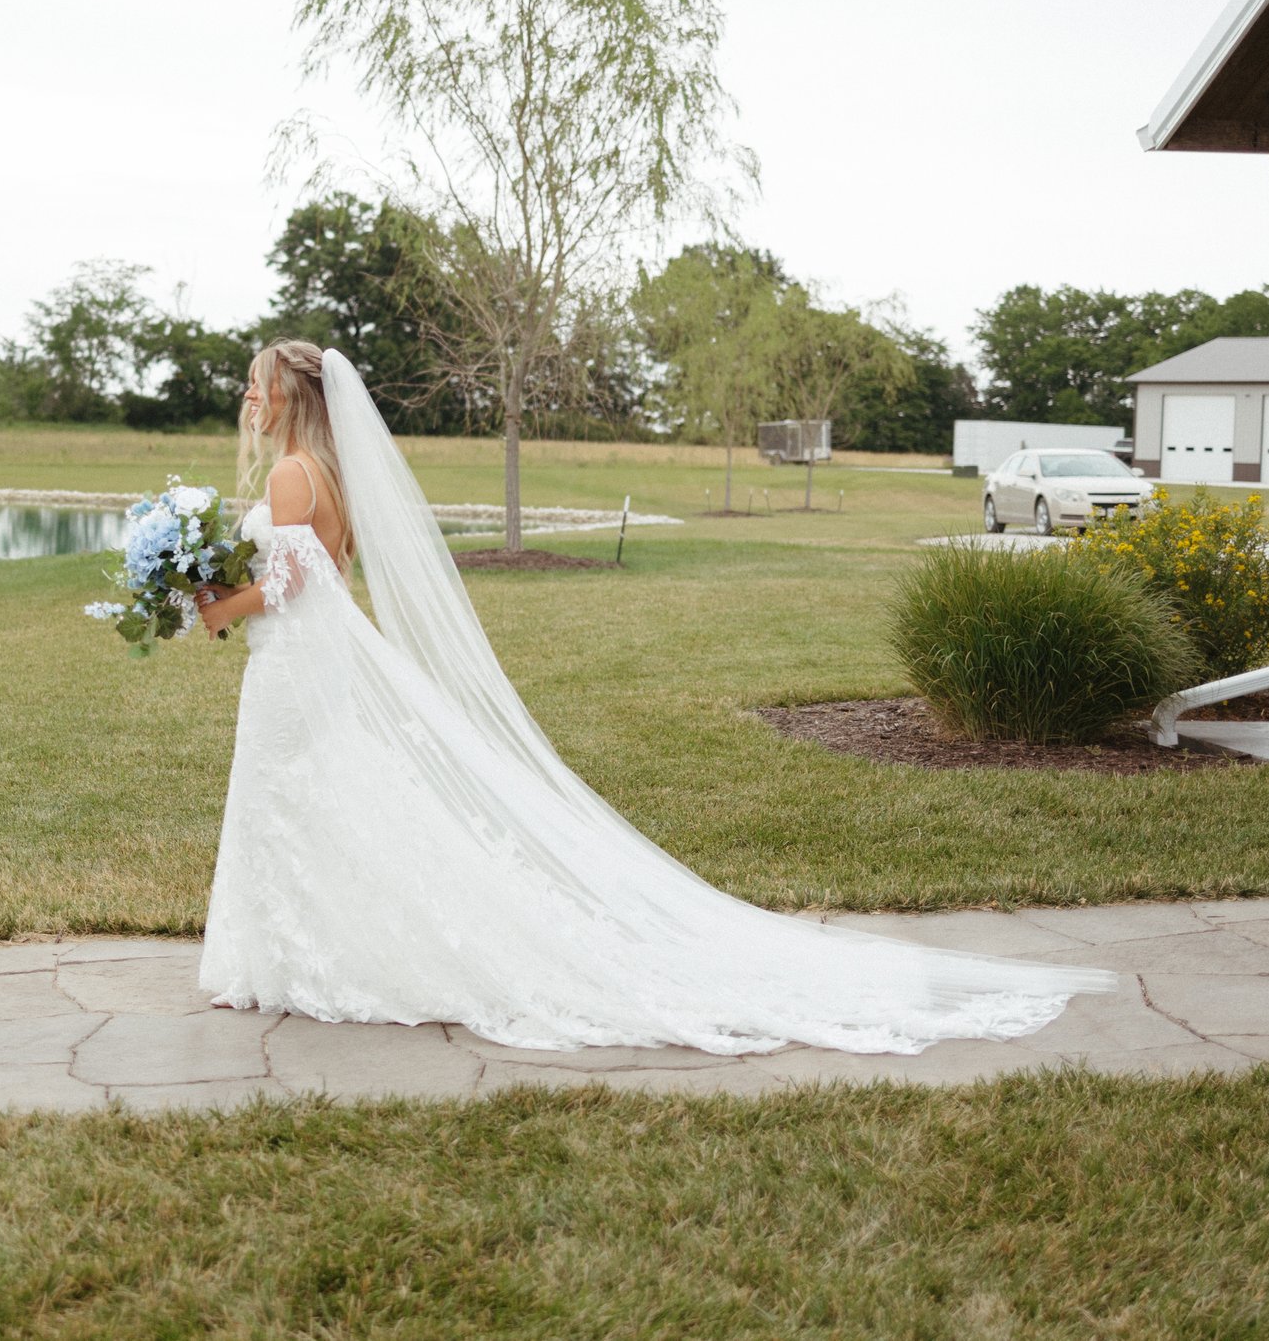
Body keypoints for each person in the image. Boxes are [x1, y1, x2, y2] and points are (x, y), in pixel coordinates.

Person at [189, 341, 1116, 1054]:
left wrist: (210, 609)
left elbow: (294, 583)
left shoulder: (288, 473)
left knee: (292, 795)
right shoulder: (332, 474)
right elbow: (319, 569)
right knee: (319, 797)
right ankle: (294, 950)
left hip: (296, 660)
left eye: (254, 387)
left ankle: (293, 954)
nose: (248, 400)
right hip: (312, 661)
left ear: (288, 395)